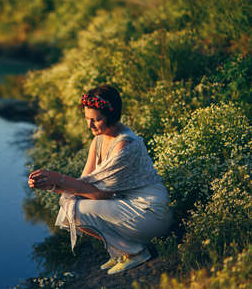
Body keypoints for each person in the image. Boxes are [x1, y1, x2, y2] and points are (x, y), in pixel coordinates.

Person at [28, 84, 172, 275]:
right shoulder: (98, 140)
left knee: (76, 209)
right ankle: (122, 252)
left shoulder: (125, 145)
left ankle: (135, 252)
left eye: (97, 120)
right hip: (127, 205)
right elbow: (83, 185)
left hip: (150, 212)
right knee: (70, 203)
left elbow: (98, 193)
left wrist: (58, 178)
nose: (90, 125)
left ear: (112, 117)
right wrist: (50, 184)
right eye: (87, 119)